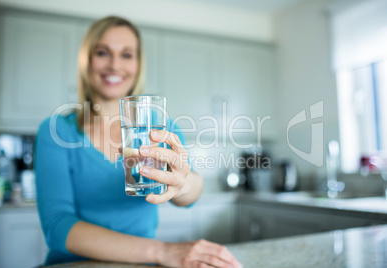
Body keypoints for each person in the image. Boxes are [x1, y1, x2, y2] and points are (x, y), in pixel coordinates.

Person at [35, 16, 242, 267]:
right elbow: (57, 226)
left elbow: (191, 189)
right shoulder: (56, 130)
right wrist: (161, 252)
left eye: (126, 54)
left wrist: (183, 183)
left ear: (138, 64)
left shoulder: (160, 125)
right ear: (87, 60)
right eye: (102, 52)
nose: (114, 65)